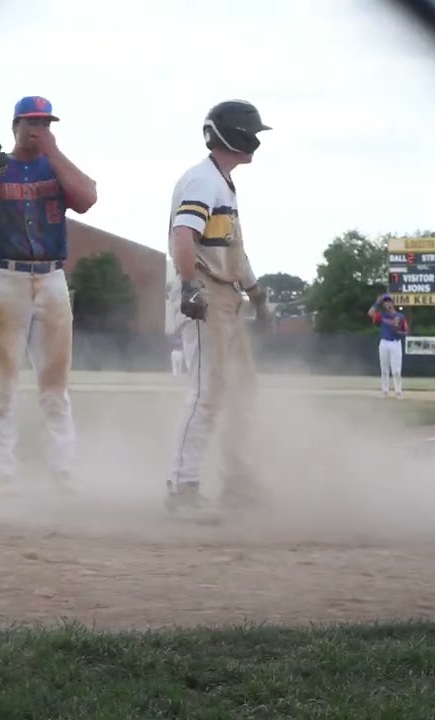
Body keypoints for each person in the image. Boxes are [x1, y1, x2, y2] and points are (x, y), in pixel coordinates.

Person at [0, 95, 98, 488]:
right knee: (2, 383)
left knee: (56, 385)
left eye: (47, 122)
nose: (39, 129)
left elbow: (87, 199)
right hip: (6, 279)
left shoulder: (57, 166)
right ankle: (1, 472)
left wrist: (55, 151)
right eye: (32, 122)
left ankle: (62, 470)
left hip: (51, 278)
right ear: (14, 126)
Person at [166, 99, 275, 519]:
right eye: (252, 133)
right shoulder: (202, 181)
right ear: (232, 134)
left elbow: (232, 250)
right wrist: (192, 286)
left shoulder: (222, 183)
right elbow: (183, 236)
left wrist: (258, 295)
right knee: (205, 393)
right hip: (207, 295)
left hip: (227, 296)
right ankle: (182, 489)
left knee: (242, 391)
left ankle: (236, 481)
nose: (255, 142)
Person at [367, 294, 408, 398]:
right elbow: (370, 313)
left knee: (396, 370)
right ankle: (384, 391)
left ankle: (398, 392)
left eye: (389, 301)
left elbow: (406, 332)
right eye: (385, 302)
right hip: (384, 343)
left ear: (392, 303)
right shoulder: (382, 315)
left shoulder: (400, 316)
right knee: (384, 369)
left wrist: (397, 330)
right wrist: (377, 303)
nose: (387, 303)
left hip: (395, 343)